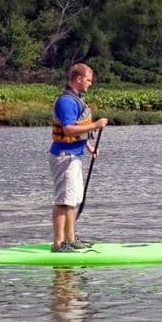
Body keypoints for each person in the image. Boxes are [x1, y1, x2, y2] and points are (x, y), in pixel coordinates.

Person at [49, 62, 108, 253]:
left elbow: (76, 131)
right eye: (88, 80)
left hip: (74, 154)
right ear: (78, 78)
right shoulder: (66, 101)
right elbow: (67, 129)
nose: (90, 84)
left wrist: (88, 145)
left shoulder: (77, 99)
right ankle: (58, 244)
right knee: (63, 200)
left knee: (73, 199)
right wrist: (95, 125)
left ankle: (71, 239)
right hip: (64, 156)